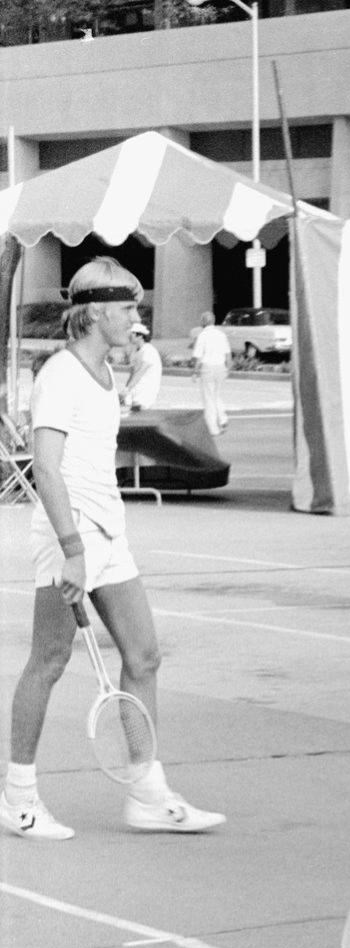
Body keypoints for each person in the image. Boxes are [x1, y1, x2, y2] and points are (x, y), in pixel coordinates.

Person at [0, 257, 225, 841]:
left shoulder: (104, 376)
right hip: (66, 535)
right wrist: (73, 550)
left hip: (108, 532)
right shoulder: (61, 376)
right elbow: (45, 470)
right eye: (128, 308)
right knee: (48, 659)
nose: (136, 318)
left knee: (144, 656)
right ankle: (18, 797)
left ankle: (147, 794)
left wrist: (96, 542)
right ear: (97, 311)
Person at [191, 311, 232, 436]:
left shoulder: (202, 336)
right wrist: (228, 368)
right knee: (216, 394)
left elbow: (198, 357)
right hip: (221, 368)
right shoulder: (221, 334)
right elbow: (228, 354)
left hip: (207, 368)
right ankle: (223, 418)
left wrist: (195, 372)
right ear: (213, 321)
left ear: (203, 322)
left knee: (208, 399)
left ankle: (213, 428)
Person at [120, 322, 163, 411]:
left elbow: (140, 371)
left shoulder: (148, 350)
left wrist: (127, 389)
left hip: (146, 390)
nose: (129, 336)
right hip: (135, 389)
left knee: (139, 411)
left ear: (139, 336)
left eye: (132, 334)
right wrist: (126, 389)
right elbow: (133, 372)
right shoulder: (135, 351)